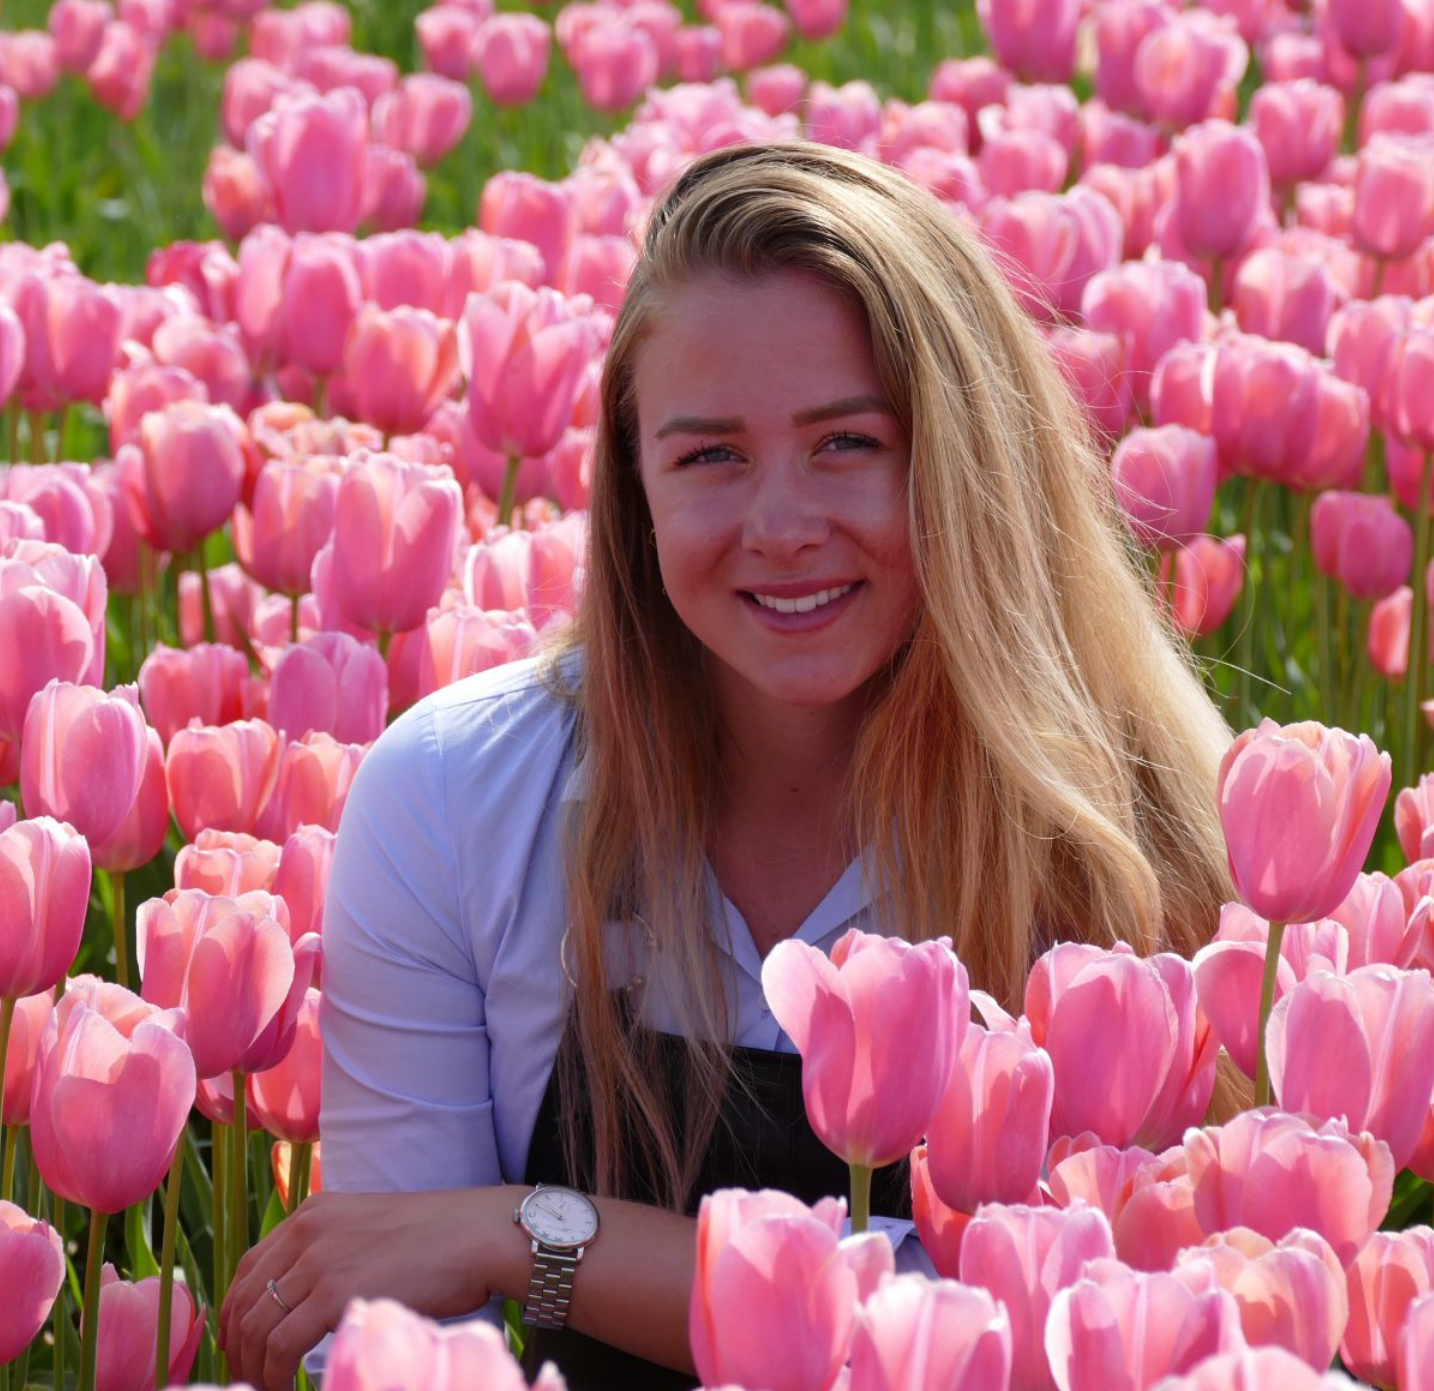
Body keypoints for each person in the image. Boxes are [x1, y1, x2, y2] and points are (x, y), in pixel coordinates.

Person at [218, 138, 1239, 1391]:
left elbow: (1090, 1322)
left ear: (969, 464)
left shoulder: (1121, 820)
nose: (783, 525)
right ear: (636, 492)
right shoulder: (463, 794)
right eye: (711, 456)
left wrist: (532, 1233)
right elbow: (394, 1321)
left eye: (848, 444)